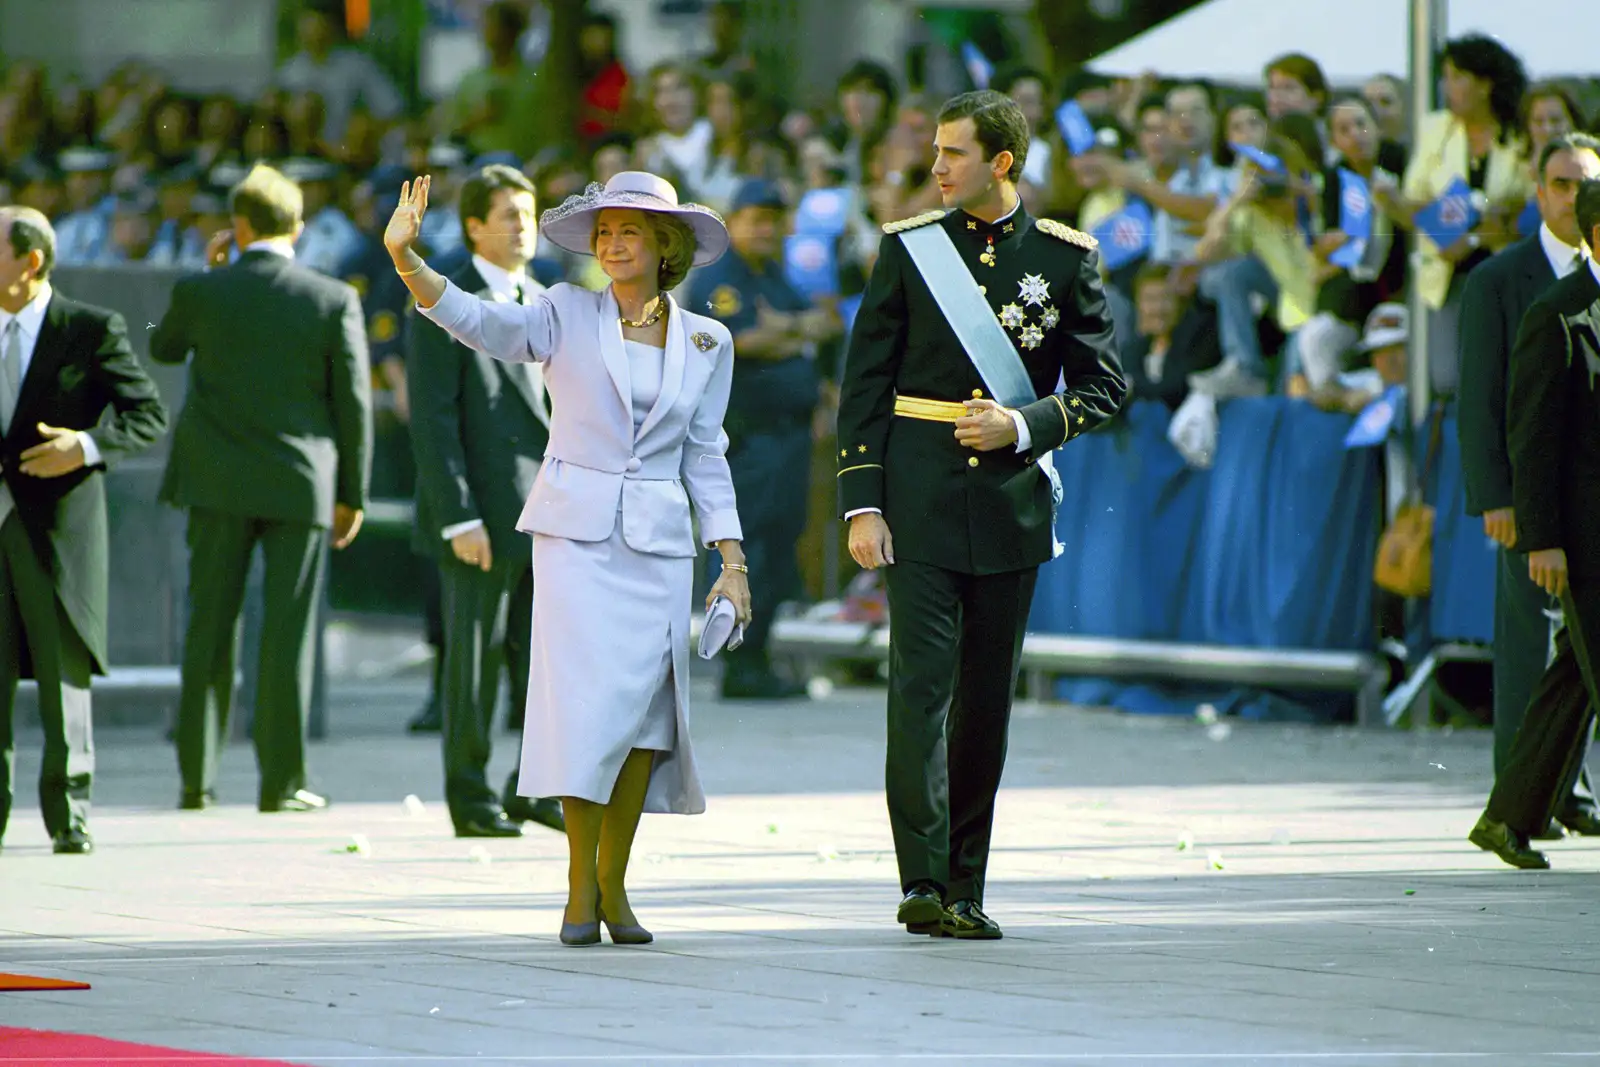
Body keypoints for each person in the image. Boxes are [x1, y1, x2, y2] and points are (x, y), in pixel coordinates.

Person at [384, 170, 751, 946]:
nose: (614, 245)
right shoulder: (561, 310)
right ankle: (580, 889)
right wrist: (410, 263)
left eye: (631, 232)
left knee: (645, 723)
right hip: (574, 542)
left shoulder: (708, 340)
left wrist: (732, 559)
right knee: (585, 716)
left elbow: (706, 454)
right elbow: (484, 325)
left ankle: (615, 887)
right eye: (605, 233)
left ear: (666, 246)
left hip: (658, 547)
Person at [836, 91, 1125, 940]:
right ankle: (921, 880)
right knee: (919, 694)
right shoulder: (911, 249)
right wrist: (862, 501)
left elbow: (1106, 386)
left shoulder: (1068, 259)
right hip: (917, 500)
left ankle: (968, 884)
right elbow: (863, 384)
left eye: (953, 154)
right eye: (935, 151)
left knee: (985, 704)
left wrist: (1025, 423)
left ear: (1001, 162)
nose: (936, 168)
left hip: (1008, 505)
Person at [152, 164, 372, 814]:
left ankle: (196, 780)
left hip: (214, 481)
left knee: (208, 628)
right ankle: (281, 783)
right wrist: (352, 494)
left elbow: (164, 347)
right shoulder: (332, 298)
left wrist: (211, 268)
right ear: (298, 227)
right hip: (300, 484)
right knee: (286, 635)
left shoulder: (202, 289)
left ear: (238, 225)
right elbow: (353, 405)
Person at [0, 206, 167, 855]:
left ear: (29, 263)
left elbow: (148, 411)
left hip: (59, 531)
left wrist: (88, 445)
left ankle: (69, 815)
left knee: (63, 674)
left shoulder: (89, 328)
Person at [405, 164, 565, 838]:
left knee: (543, 661)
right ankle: (469, 796)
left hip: (549, 512)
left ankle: (532, 787)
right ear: (474, 224)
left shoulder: (547, 296)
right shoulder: (446, 293)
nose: (523, 226)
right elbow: (434, 417)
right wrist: (458, 515)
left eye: (529, 214)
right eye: (509, 214)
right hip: (481, 516)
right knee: (472, 662)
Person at [1459, 133, 1600, 840]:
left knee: (1575, 658)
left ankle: (1553, 793)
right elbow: (1483, 398)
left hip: (1584, 507)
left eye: (1585, 183)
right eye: (1562, 183)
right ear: (1538, 191)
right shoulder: (1500, 280)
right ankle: (1523, 795)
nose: (1573, 196)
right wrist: (1498, 497)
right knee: (1531, 643)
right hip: (1534, 499)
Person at [685, 178, 836, 700]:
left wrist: (786, 328)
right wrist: (798, 330)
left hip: (787, 439)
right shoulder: (722, 279)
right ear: (735, 221)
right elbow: (743, 340)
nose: (767, 229)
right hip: (748, 440)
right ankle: (739, 665)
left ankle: (758, 659)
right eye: (756, 218)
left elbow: (827, 321)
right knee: (746, 550)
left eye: (774, 219)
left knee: (778, 544)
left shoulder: (772, 277)